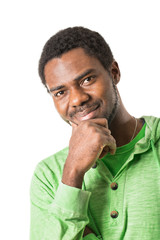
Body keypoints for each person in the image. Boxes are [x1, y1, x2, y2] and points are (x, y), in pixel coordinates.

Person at [30, 27, 160, 240]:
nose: (77, 99)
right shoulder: (48, 176)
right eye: (61, 92)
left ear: (114, 72)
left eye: (87, 80)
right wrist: (72, 173)